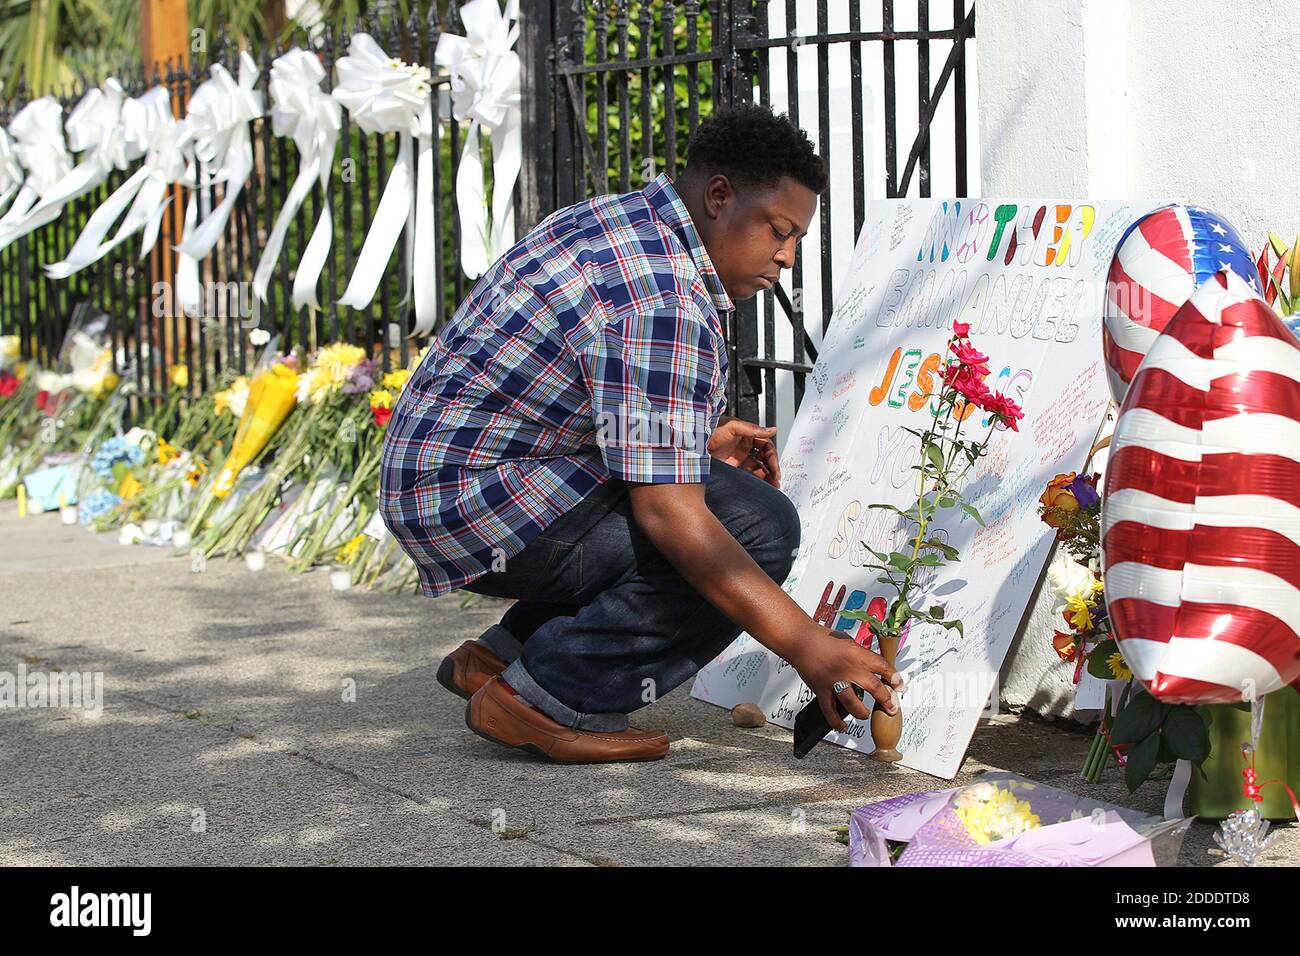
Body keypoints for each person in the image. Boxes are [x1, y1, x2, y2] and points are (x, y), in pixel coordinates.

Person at [379, 104, 900, 764]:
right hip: (473, 504)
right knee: (757, 525)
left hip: (450, 484)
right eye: (779, 229)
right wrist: (808, 645)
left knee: (719, 494)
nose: (787, 257)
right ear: (719, 197)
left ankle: (502, 659)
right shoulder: (664, 295)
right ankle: (548, 695)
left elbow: (569, 401)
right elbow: (670, 515)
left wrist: (696, 445)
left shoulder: (620, 222)